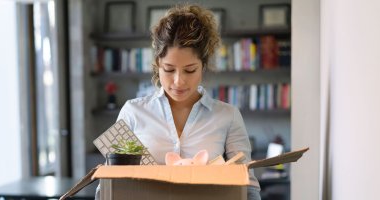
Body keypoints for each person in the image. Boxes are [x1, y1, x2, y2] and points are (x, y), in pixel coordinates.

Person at [96, 4, 261, 200]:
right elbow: (106, 188)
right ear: (158, 64)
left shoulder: (228, 116)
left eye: (190, 70)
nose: (178, 81)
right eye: (168, 69)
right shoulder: (133, 112)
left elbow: (248, 188)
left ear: (203, 65)